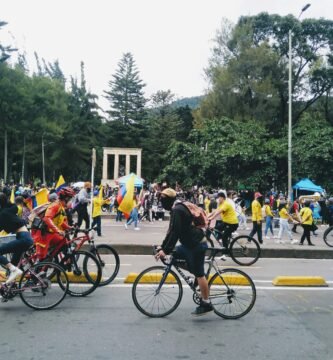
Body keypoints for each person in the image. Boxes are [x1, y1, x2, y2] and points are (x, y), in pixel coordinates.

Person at [155, 188, 212, 316]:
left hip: (196, 244)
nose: (161, 202)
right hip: (189, 244)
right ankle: (198, 277)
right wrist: (163, 248)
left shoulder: (177, 210)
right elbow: (171, 231)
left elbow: (175, 233)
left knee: (199, 273)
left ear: (169, 200)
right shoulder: (177, 207)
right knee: (175, 256)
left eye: (163, 200)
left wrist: (165, 250)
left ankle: (206, 303)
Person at [0, 192, 33, 283]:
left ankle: (14, 270)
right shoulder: (9, 210)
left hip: (23, 239)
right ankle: (11, 287)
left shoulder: (3, 214)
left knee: (12, 267)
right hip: (24, 237)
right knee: (14, 263)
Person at [33, 187, 74, 260]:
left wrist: (69, 227)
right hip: (44, 234)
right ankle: (38, 269)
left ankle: (55, 263)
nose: (71, 201)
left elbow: (60, 222)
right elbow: (47, 218)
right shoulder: (55, 205)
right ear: (66, 198)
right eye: (70, 198)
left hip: (52, 233)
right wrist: (58, 231)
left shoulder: (61, 207)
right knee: (42, 259)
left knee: (63, 243)